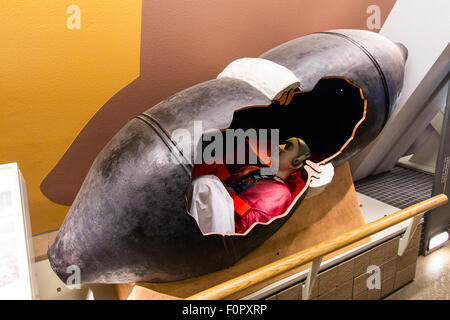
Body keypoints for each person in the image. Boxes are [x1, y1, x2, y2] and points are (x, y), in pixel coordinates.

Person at [188, 137, 311, 234]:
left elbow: (253, 225)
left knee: (204, 184)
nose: (279, 146)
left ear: (296, 163)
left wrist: (225, 193)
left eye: (288, 147)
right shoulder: (256, 171)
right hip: (221, 210)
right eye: (283, 143)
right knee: (203, 183)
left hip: (231, 223)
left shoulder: (282, 193)